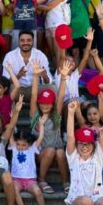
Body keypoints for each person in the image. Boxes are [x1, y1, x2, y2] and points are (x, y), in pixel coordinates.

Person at [30, 60, 69, 195]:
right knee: (52, 150)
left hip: (56, 154)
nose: (44, 106)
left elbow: (61, 97)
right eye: (42, 103)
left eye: (48, 103)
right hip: (40, 154)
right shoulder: (35, 117)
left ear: (52, 105)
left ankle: (66, 182)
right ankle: (41, 180)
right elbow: (34, 96)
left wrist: (63, 78)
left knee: (59, 152)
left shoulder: (55, 117)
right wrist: (35, 77)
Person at [10, 121, 54, 205]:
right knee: (14, 190)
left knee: (38, 191)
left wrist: (42, 125)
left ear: (29, 144)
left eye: (24, 145)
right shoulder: (14, 148)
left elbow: (41, 138)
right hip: (17, 179)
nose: (20, 147)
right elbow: (10, 136)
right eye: (18, 144)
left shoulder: (32, 149)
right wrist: (12, 122)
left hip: (30, 180)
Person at [1, 31, 52, 99]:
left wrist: (45, 76)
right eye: (22, 40)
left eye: (29, 40)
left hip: (35, 89)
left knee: (51, 88)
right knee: (6, 89)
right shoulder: (10, 56)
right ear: (18, 41)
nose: (25, 43)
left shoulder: (40, 55)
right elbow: (5, 81)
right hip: (17, 89)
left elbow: (48, 82)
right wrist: (18, 76)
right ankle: (11, 109)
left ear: (33, 41)